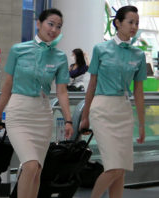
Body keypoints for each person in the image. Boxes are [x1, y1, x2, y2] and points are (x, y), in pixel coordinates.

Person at [0, 8, 73, 198]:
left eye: (59, 26)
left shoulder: (60, 57)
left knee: (37, 169)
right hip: (19, 112)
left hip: (43, 114)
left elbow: (61, 91)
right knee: (29, 165)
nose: (54, 29)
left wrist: (69, 120)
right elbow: (8, 83)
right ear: (39, 23)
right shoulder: (18, 50)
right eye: (50, 24)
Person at [79, 6, 146, 198]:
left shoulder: (138, 55)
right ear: (117, 23)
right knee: (114, 168)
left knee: (121, 169)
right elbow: (92, 84)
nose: (134, 26)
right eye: (130, 22)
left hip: (124, 111)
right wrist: (85, 116)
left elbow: (139, 92)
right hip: (102, 110)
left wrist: (141, 124)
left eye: (137, 23)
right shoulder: (101, 49)